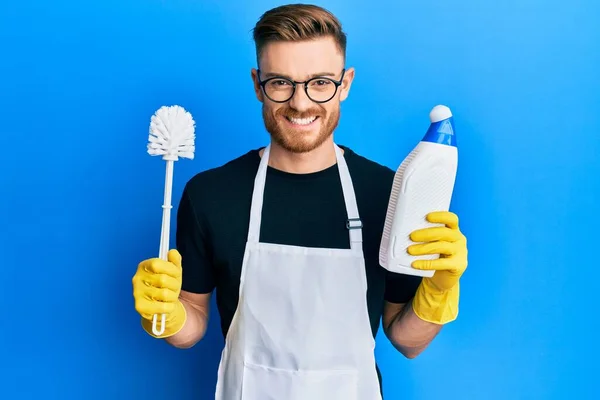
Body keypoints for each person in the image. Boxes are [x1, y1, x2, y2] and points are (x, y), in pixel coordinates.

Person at [132, 4, 468, 399]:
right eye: (281, 83)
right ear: (258, 84)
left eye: (320, 82)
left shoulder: (386, 193)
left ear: (345, 83)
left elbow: (407, 339)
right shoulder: (210, 193)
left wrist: (439, 290)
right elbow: (191, 327)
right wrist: (166, 314)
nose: (301, 103)